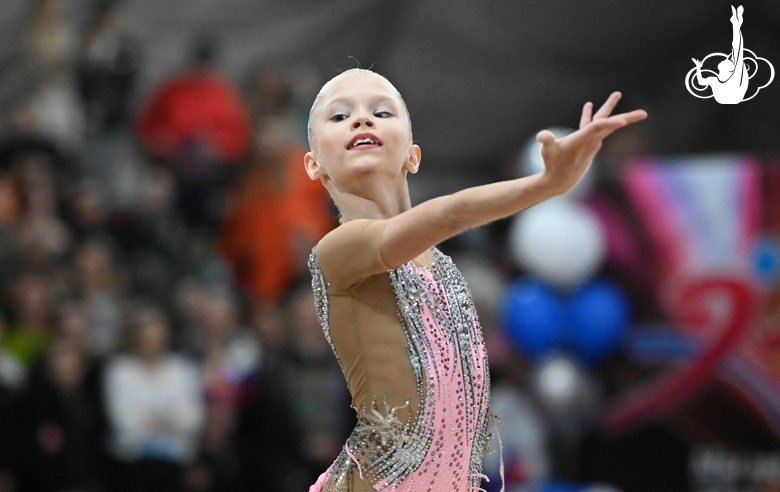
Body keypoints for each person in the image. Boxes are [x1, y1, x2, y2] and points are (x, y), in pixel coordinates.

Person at [303, 68, 646, 492]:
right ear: (314, 164)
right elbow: (448, 213)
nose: (361, 119)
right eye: (339, 116)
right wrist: (546, 184)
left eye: (381, 111)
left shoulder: (441, 266)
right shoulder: (338, 249)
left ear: (412, 155)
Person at [692, 5, 748, 104]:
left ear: (729, 69)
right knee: (737, 52)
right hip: (728, 98)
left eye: (727, 61)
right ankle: (736, 23)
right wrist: (698, 67)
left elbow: (737, 49)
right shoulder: (714, 80)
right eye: (728, 61)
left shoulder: (733, 77)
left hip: (733, 96)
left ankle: (736, 23)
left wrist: (736, 26)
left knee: (737, 51)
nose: (725, 59)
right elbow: (701, 82)